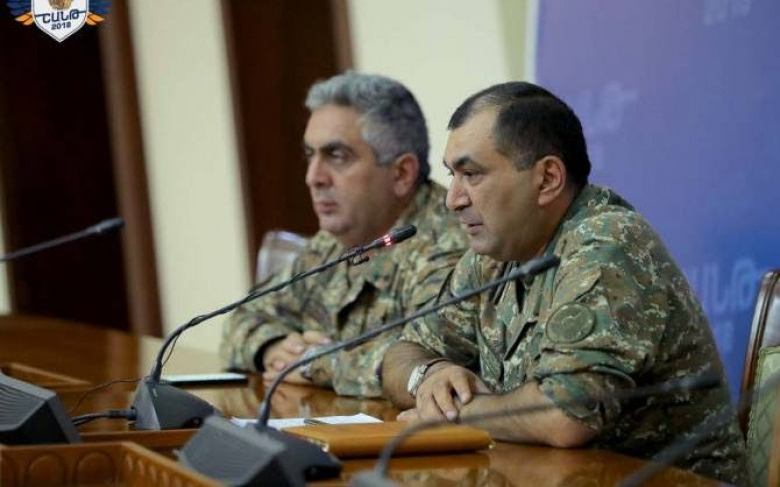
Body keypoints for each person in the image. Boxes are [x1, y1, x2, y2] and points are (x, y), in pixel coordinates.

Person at [381, 82, 745, 483]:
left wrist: (453, 413)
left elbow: (565, 416)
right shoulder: (492, 258)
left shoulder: (608, 244)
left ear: (548, 179)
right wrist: (429, 375)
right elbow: (400, 353)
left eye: (472, 175)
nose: (453, 199)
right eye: (453, 175)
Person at [220, 71, 467, 397]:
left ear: (401, 173)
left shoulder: (450, 243)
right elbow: (242, 317)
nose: (313, 177)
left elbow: (424, 362)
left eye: (336, 156)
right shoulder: (333, 243)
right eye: (310, 155)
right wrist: (275, 347)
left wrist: (313, 363)